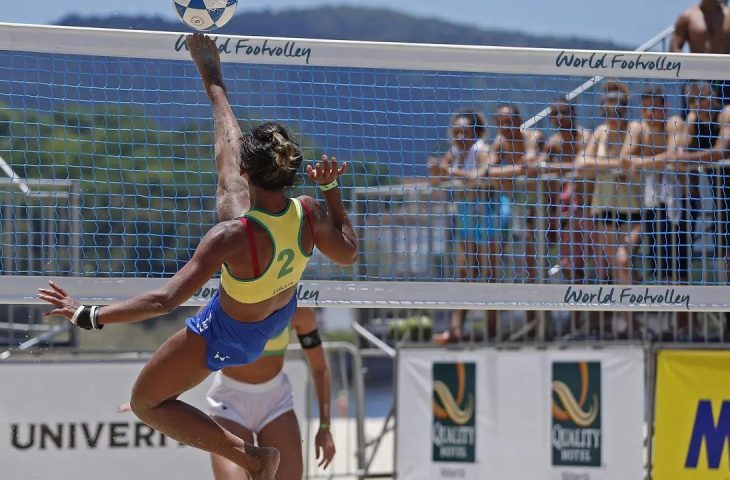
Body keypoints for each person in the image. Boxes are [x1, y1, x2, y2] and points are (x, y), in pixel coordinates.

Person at [37, 33, 358, 480]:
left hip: (231, 332)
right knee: (229, 190)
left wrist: (88, 314)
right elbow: (348, 253)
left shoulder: (229, 235)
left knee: (148, 401)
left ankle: (253, 458)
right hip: (276, 313)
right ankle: (214, 81)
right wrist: (330, 190)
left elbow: (165, 301)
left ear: (252, 171)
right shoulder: (309, 211)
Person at [577, 81, 641, 337]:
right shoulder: (600, 131)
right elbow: (581, 164)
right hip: (603, 206)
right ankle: (621, 321)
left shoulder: (633, 128)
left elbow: (626, 158)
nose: (612, 110)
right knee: (610, 268)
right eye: (608, 105)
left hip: (632, 207)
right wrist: (612, 166)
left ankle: (629, 321)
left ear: (624, 108)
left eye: (617, 106)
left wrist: (601, 165)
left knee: (623, 263)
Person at [537, 98, 593, 281]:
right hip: (564, 213)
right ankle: (576, 308)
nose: (560, 117)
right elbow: (540, 165)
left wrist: (558, 167)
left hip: (588, 210)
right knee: (569, 265)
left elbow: (584, 165)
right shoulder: (553, 143)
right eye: (555, 114)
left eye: (564, 112)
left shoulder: (586, 138)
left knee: (595, 265)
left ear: (574, 113)